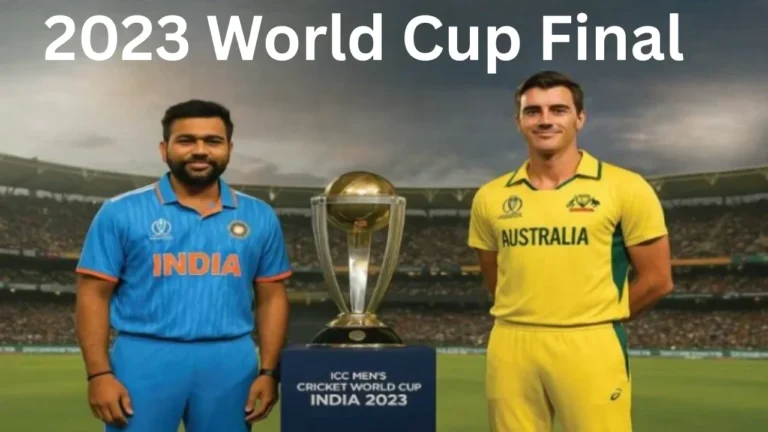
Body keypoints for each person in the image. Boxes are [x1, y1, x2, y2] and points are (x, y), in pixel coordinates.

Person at [467, 71, 674, 432]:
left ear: (580, 117)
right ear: (518, 122)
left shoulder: (625, 187)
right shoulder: (490, 196)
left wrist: (599, 318)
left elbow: (658, 280)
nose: (545, 120)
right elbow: (495, 277)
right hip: (511, 342)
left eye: (558, 110)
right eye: (533, 112)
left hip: (590, 342)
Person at [74, 100, 292, 431]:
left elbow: (272, 297)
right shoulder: (119, 211)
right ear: (165, 149)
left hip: (230, 359)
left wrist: (269, 371)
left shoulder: (259, 215)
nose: (200, 150)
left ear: (229, 149)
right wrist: (99, 373)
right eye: (186, 140)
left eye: (213, 141)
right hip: (143, 356)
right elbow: (93, 295)